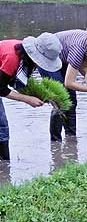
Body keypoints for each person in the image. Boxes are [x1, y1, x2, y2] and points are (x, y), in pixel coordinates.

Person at [0, 32, 63, 160]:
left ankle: (5, 167)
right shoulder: (12, 57)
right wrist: (27, 99)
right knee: (2, 127)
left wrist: (43, 96)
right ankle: (5, 166)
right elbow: (0, 88)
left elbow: (16, 82)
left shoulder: (25, 56)